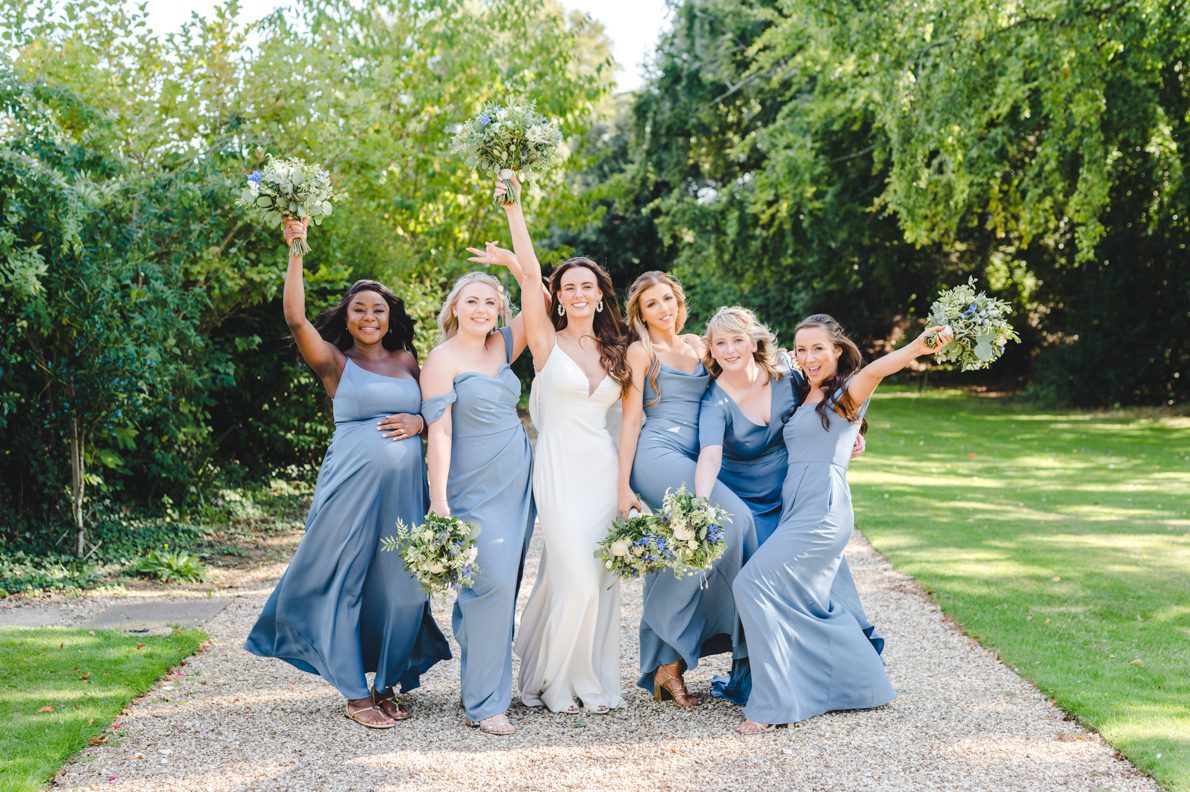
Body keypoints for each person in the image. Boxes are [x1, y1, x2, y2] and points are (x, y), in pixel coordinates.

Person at [245, 216, 450, 729]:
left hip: (404, 493)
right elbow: (295, 317)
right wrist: (296, 247)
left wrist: (421, 419)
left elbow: (437, 413)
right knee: (344, 578)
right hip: (350, 490)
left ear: (390, 317)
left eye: (377, 309)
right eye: (359, 309)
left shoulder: (407, 360)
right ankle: (355, 691)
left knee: (400, 583)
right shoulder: (335, 362)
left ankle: (386, 684)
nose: (368, 317)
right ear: (348, 316)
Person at [733, 313, 953, 733]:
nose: (809, 356)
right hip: (796, 507)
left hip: (822, 509)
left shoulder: (847, 393)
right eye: (801, 349)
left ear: (837, 349)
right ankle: (857, 680)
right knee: (798, 600)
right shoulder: (804, 391)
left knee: (751, 584)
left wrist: (918, 347)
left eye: (818, 348)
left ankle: (772, 704)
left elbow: (876, 369)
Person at [473, 174, 630, 714]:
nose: (579, 294)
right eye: (569, 288)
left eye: (588, 286)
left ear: (600, 295)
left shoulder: (619, 348)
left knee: (595, 580)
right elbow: (533, 273)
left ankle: (586, 677)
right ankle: (554, 681)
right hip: (559, 469)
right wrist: (514, 209)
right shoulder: (544, 341)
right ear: (557, 298)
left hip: (603, 472)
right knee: (577, 578)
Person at [692, 307, 883, 705]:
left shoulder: (789, 377)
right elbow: (709, 456)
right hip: (747, 500)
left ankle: (821, 678)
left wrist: (853, 435)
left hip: (795, 496)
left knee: (815, 588)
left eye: (737, 340)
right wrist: (699, 506)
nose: (729, 350)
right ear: (711, 349)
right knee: (759, 586)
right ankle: (768, 683)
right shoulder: (713, 401)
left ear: (755, 342)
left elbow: (829, 404)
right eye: (720, 343)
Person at [616, 272, 757, 707]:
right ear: (639, 312)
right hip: (658, 453)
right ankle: (662, 622)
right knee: (734, 522)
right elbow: (631, 420)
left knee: (684, 547)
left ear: (679, 302)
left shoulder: (699, 345)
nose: (663, 309)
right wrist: (622, 486)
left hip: (699, 458)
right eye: (652, 303)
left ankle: (667, 664)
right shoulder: (641, 352)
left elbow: (739, 386)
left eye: (668, 299)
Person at [418, 263, 535, 736]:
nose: (482, 309)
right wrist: (439, 499)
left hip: (517, 485)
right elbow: (439, 434)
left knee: (501, 586)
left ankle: (485, 681)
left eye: (491, 301)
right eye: (473, 301)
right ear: (455, 308)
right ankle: (486, 703)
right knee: (488, 583)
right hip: (474, 488)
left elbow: (540, 298)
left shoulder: (503, 345)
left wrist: (513, 262)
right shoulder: (441, 360)